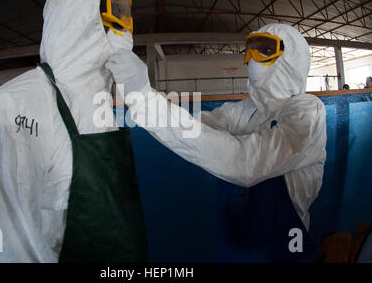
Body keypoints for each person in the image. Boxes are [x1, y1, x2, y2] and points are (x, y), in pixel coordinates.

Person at [106, 24, 327, 259]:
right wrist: (148, 102)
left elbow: (246, 163)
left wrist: (148, 102)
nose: (252, 58)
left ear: (291, 59)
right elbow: (193, 128)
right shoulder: (245, 111)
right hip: (231, 248)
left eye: (264, 49)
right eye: (250, 49)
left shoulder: (306, 111)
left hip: (281, 253)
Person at [0, 0, 147, 263]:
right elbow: (15, 236)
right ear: (79, 21)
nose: (121, 34)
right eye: (111, 22)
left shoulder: (101, 102)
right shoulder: (14, 105)